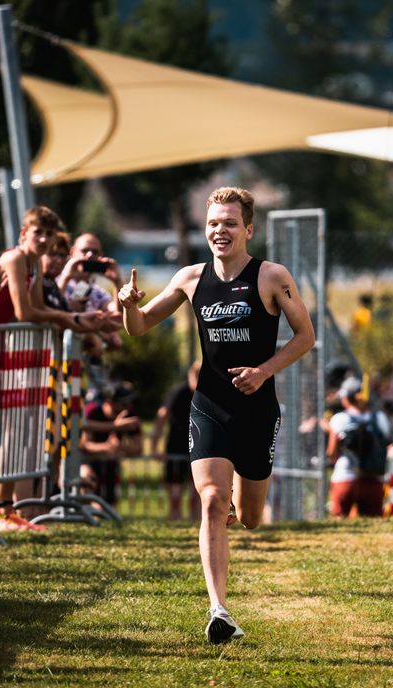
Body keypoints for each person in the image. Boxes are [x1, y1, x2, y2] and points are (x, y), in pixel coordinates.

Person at [118, 186, 315, 644]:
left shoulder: (271, 277)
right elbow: (141, 327)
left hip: (258, 411)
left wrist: (264, 371)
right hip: (209, 404)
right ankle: (219, 610)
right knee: (209, 500)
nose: (219, 231)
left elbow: (305, 336)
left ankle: (234, 507)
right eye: (212, 223)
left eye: (229, 223)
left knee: (249, 518)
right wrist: (126, 305)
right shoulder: (189, 278)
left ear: (248, 229)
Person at [0, 207, 104, 532]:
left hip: (7, 354)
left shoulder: (32, 265)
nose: (43, 240)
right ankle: (2, 509)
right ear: (22, 235)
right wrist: (69, 320)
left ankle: (5, 510)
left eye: (49, 235)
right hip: (5, 350)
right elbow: (25, 310)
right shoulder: (14, 259)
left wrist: (78, 320)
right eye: (37, 233)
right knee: (9, 432)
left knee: (14, 432)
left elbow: (40, 309)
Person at [327, 375, 391, 518]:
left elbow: (331, 452)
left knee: (340, 523)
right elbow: (385, 445)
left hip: (345, 478)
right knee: (372, 525)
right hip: (373, 480)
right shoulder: (380, 418)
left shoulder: (339, 419)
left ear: (346, 398)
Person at [151, 360, 202, 521]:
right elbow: (162, 417)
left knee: (198, 495)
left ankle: (195, 524)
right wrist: (154, 447)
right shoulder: (179, 392)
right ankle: (175, 522)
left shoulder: (207, 394)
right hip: (176, 448)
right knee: (175, 495)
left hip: (199, 449)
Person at [81, 381, 142, 505]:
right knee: (88, 481)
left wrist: (121, 448)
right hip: (86, 461)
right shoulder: (92, 411)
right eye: (122, 404)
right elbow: (85, 444)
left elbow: (138, 447)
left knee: (109, 503)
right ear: (109, 402)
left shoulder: (129, 414)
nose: (126, 408)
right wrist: (106, 446)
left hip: (110, 465)